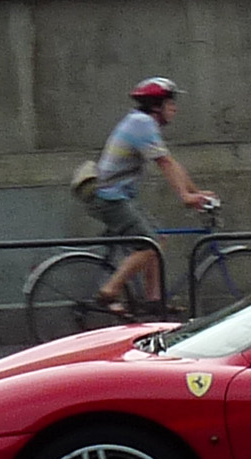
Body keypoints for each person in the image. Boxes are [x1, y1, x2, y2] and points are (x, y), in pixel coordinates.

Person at [90, 77, 216, 310]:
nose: (175, 108)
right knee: (148, 246)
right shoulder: (142, 123)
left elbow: (171, 163)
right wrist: (186, 197)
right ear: (156, 106)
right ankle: (110, 290)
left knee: (159, 239)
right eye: (170, 103)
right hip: (109, 197)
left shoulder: (142, 122)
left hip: (118, 195)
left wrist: (196, 193)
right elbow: (165, 164)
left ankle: (154, 301)